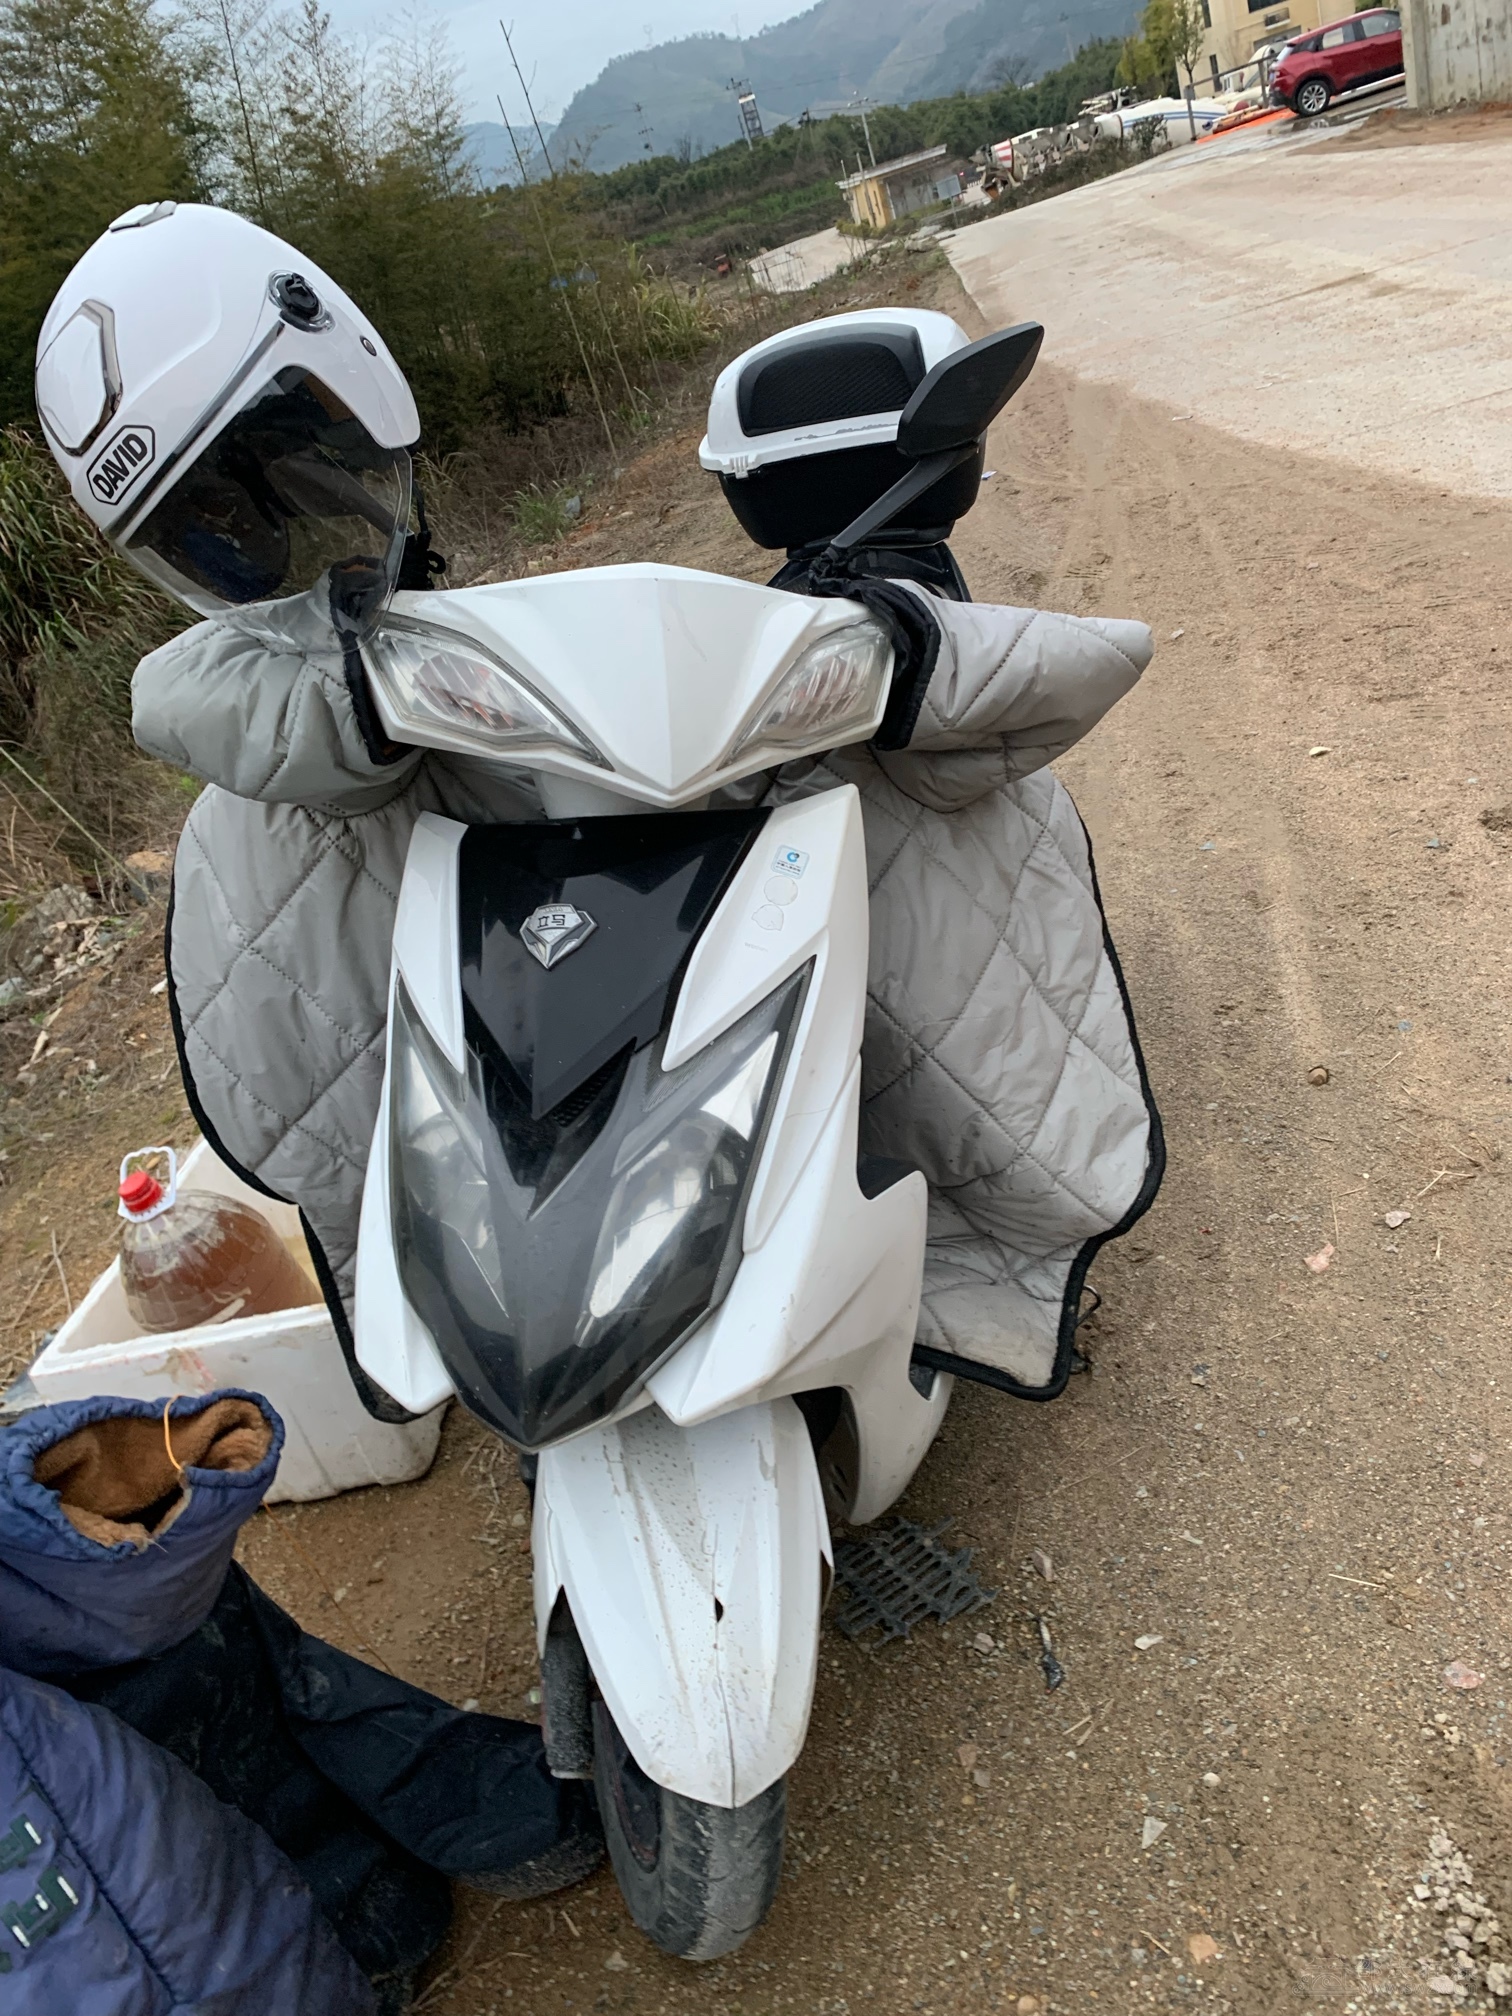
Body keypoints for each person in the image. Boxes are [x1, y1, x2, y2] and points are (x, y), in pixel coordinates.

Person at [34, 203, 1160, 1409]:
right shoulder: (256, 738)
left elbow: (1042, 678)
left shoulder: (277, 720)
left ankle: (936, 1209)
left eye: (276, 478)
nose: (264, 539)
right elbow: (191, 686)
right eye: (209, 531)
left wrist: (897, 649)